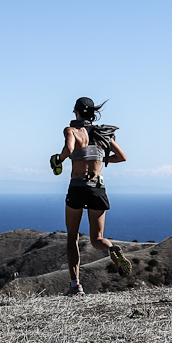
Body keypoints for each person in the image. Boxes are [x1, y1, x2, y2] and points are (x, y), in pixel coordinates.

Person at [50, 97, 132, 296]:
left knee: (72, 238)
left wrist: (57, 160)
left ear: (75, 112)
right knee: (97, 238)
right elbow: (122, 157)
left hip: (77, 187)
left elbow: (69, 150)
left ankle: (75, 286)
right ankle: (113, 250)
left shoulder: (71, 131)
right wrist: (103, 160)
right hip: (97, 187)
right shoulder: (103, 133)